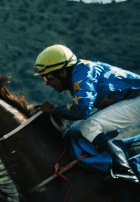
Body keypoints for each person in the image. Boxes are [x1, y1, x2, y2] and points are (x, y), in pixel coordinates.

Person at [34, 44, 140, 185]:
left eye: (49, 77)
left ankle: (125, 170)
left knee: (90, 125)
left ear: (63, 72)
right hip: (132, 100)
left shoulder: (83, 72)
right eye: (44, 79)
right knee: (77, 128)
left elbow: (81, 110)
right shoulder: (78, 74)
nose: (47, 83)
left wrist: (54, 110)